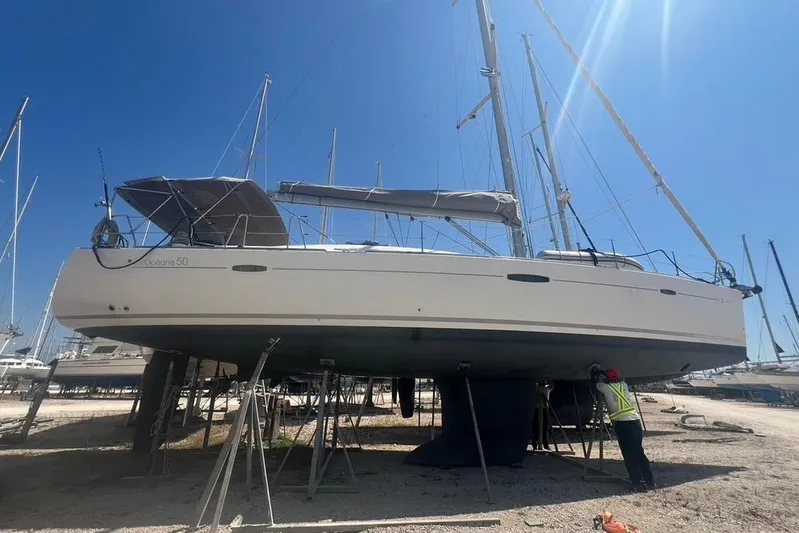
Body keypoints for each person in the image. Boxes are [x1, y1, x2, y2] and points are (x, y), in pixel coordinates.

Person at [590, 365, 654, 492]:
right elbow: (615, 380)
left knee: (629, 454)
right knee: (638, 452)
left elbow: (596, 383)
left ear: (607, 379)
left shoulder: (606, 388)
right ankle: (649, 481)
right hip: (635, 422)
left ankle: (638, 483)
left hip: (623, 424)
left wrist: (596, 372)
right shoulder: (624, 385)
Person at [531, 381, 554, 450]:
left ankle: (539, 444)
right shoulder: (544, 389)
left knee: (542, 428)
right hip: (539, 409)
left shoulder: (542, 388)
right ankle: (540, 444)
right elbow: (552, 385)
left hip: (542, 409)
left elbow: (552, 385)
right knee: (539, 428)